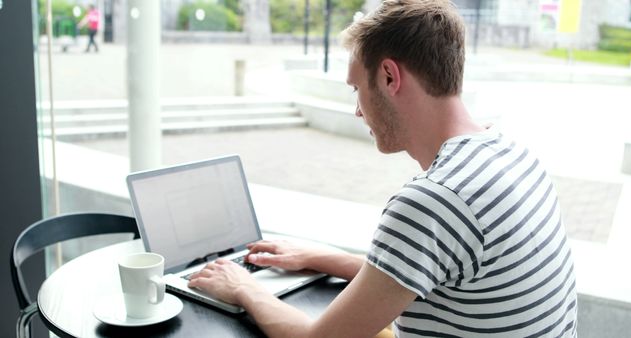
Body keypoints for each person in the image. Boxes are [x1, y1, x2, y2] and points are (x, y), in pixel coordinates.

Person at [187, 0, 578, 337]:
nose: (357, 110)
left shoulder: (434, 201)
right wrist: (320, 257)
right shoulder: (512, 154)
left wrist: (242, 286)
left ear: (390, 77)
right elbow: (426, 275)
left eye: (357, 88)